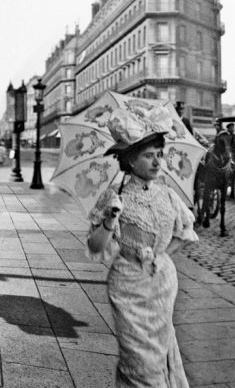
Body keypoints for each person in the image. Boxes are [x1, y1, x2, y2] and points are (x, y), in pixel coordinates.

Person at [87, 130, 198, 387]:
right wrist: (110, 218)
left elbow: (184, 233)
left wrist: (159, 257)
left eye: (160, 154)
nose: (158, 162)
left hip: (162, 284)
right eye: (149, 156)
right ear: (131, 161)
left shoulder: (168, 195)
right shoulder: (116, 195)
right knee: (138, 363)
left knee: (160, 355)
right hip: (128, 286)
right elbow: (95, 247)